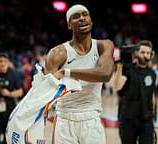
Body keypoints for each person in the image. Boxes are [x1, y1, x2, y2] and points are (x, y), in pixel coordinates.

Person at [44, 4, 114, 144]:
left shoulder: (104, 45)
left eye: (84, 14)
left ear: (91, 20)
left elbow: (105, 74)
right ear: (69, 25)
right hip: (65, 119)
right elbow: (46, 92)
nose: (82, 18)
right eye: (76, 17)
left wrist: (67, 72)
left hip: (92, 117)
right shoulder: (57, 53)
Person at [114, 40, 156, 144]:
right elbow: (117, 86)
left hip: (146, 119)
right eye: (142, 52)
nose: (145, 55)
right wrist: (119, 66)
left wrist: (153, 118)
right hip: (128, 120)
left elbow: (152, 96)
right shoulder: (127, 69)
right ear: (137, 53)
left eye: (148, 53)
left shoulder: (152, 74)